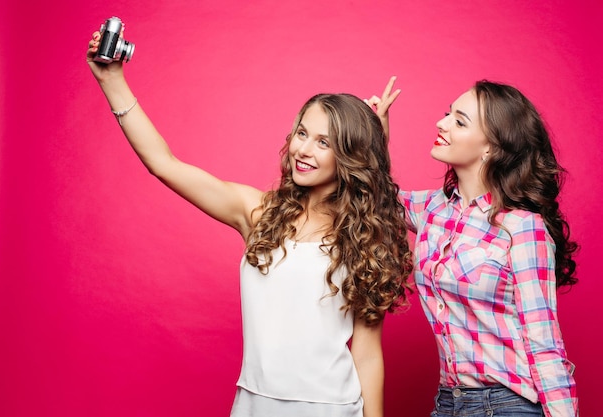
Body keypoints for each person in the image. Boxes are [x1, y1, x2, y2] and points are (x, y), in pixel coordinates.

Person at [86, 29, 413, 417]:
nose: (303, 150)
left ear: (349, 156)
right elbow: (164, 164)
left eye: (324, 142)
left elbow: (368, 353)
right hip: (253, 403)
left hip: (332, 407)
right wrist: (112, 80)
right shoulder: (259, 213)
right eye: (302, 133)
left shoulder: (362, 236)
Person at [366, 77, 579, 417]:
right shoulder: (433, 209)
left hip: (509, 404)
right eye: (447, 114)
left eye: (459, 121)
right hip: (449, 402)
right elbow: (374, 198)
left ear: (491, 148)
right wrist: (376, 138)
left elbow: (544, 341)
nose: (442, 123)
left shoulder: (523, 228)